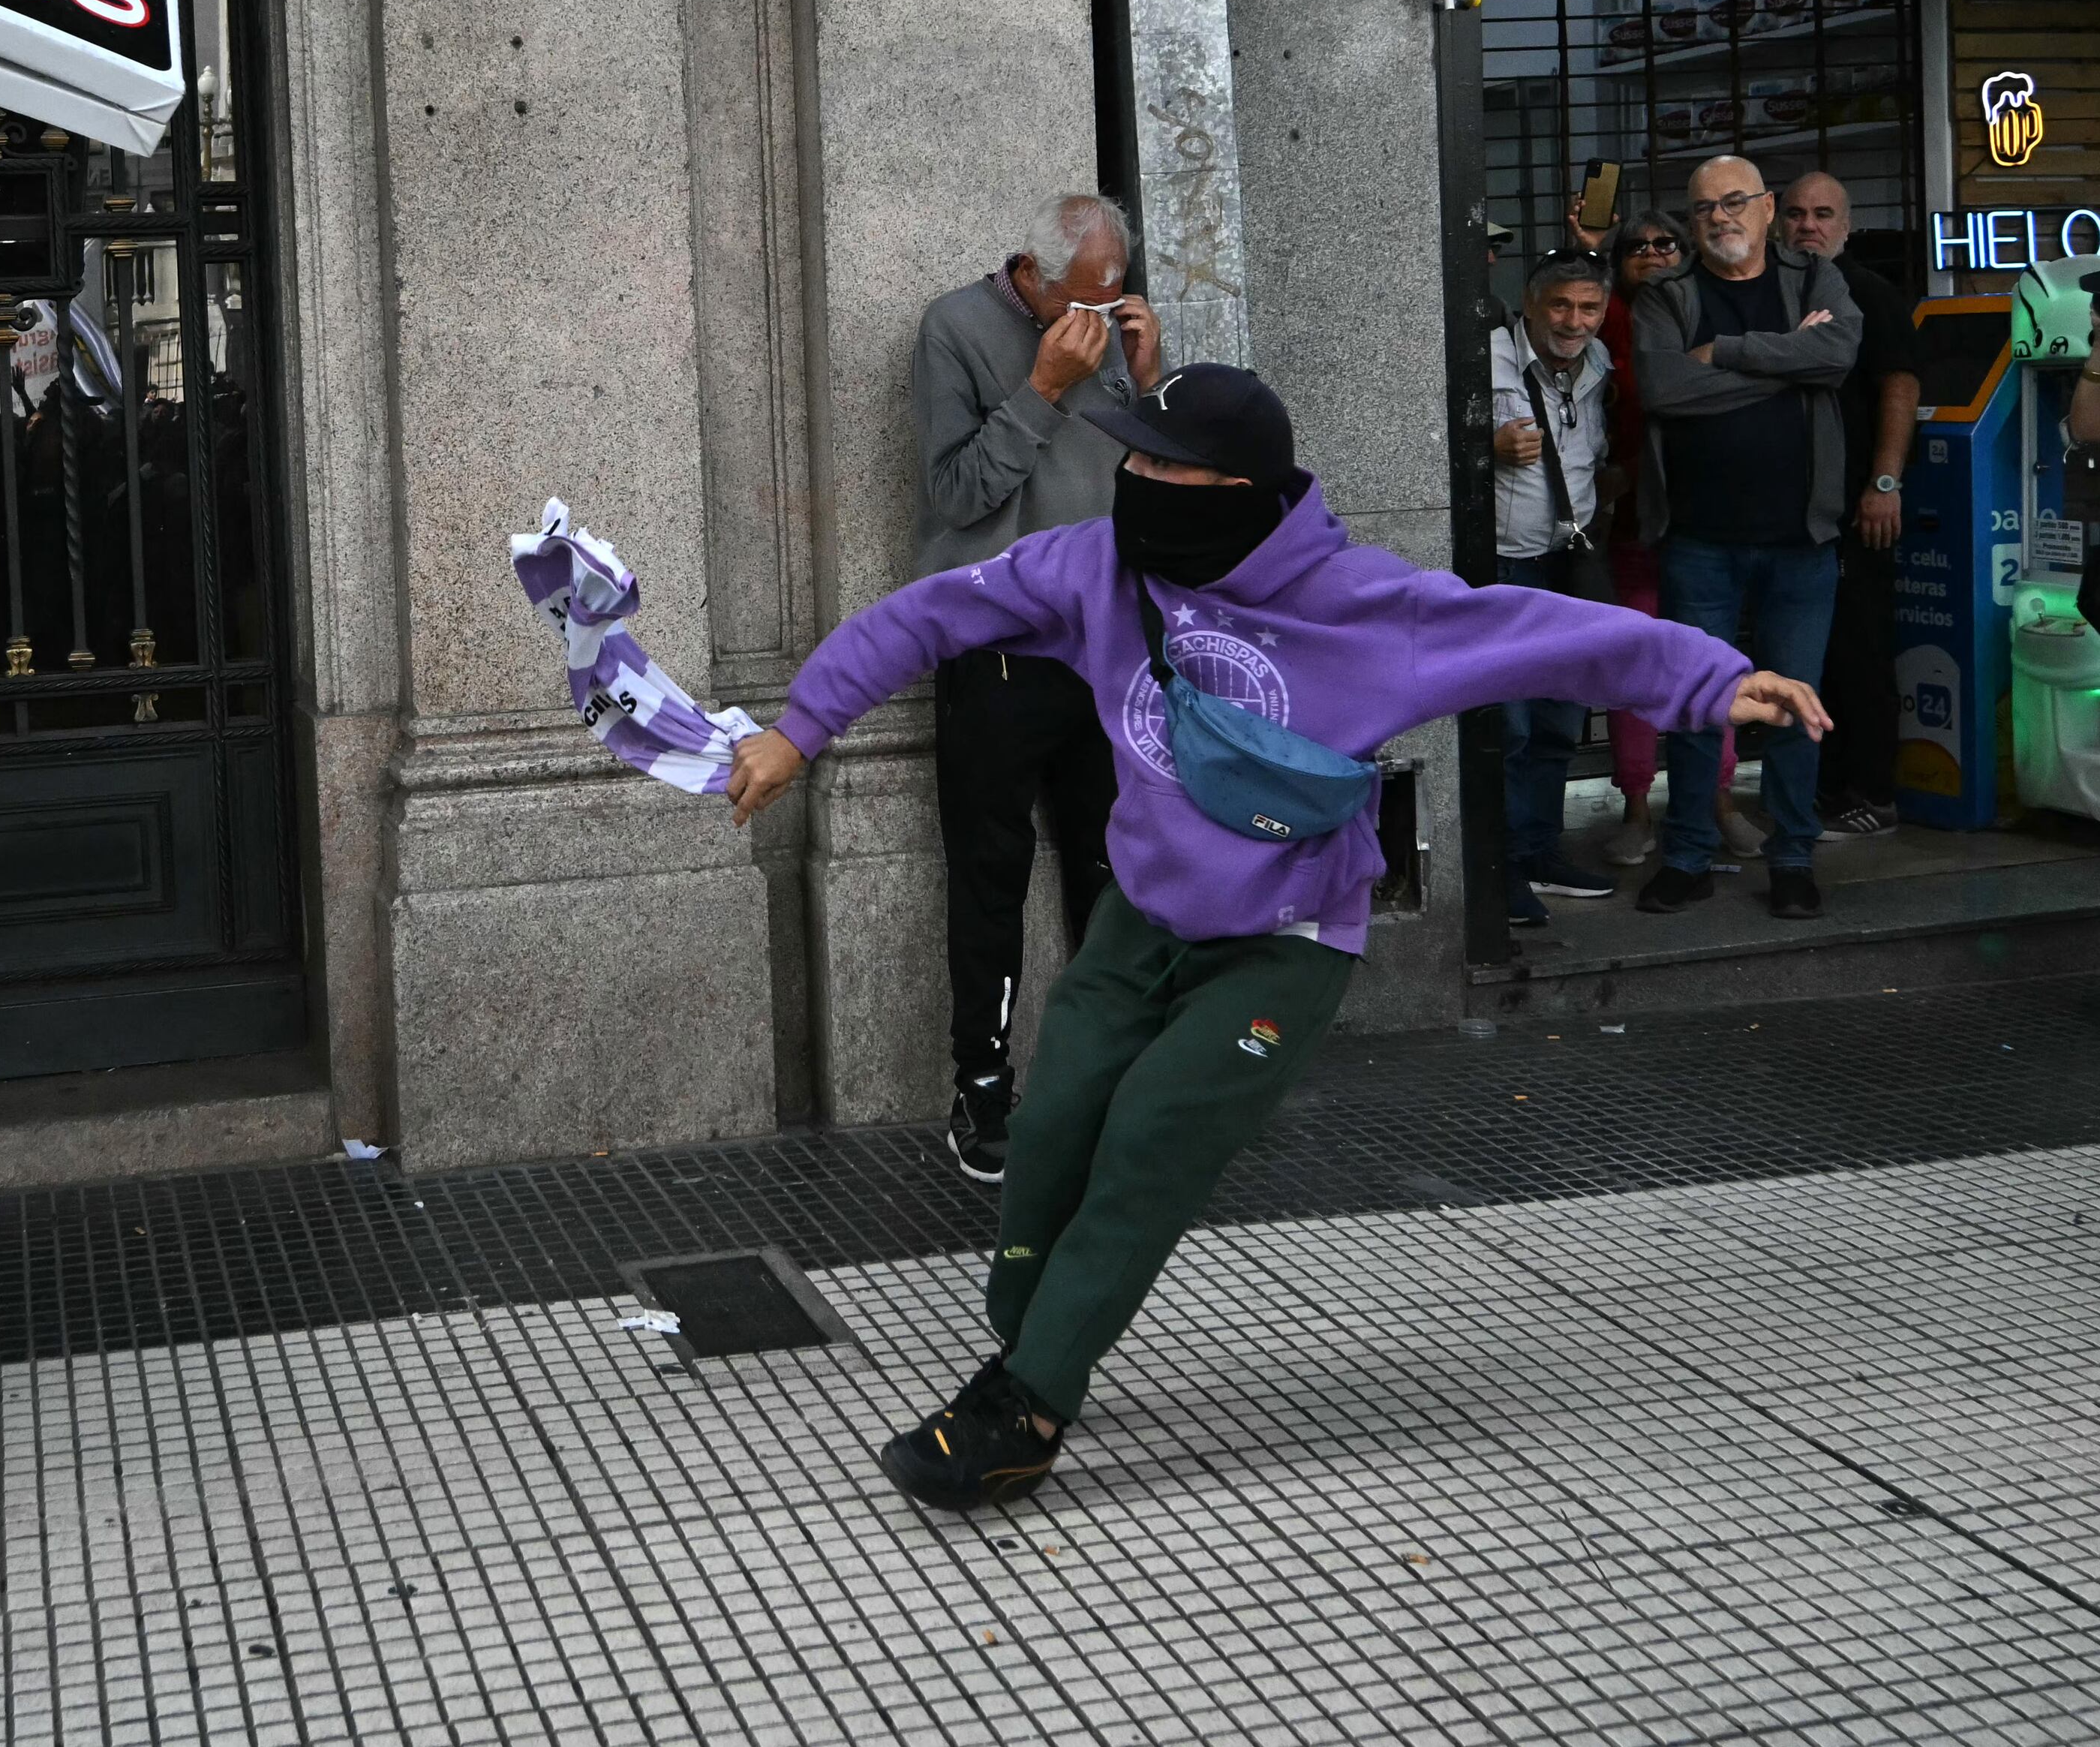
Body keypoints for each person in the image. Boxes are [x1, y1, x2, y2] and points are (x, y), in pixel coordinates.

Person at [721, 363, 1820, 1508]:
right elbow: (927, 612)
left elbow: (1545, 634)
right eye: (1132, 456)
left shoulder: (1365, 605)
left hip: (1285, 938)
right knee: (1049, 1130)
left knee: (1149, 1141)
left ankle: (1026, 1409)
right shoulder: (1096, 565)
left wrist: (1716, 678)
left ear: (1242, 488)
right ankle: (1035, 1335)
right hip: (1139, 917)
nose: (1135, 476)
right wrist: (801, 730)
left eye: (1165, 463)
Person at [907, 194, 1156, 1181]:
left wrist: (1152, 383)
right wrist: (1044, 388)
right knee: (989, 878)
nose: (1094, 318)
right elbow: (957, 493)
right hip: (997, 649)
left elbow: (1161, 479)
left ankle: (1103, 1079)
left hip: (1104, 643)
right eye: (1080, 301)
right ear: (1031, 272)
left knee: (1112, 871)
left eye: (1110, 297)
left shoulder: (1113, 337)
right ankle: (980, 1087)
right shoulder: (955, 329)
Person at [1632, 155, 1861, 918]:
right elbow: (1665, 387)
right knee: (1699, 702)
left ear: (1767, 208)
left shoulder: (1814, 276)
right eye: (1702, 208)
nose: (1719, 218)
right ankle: (1687, 856)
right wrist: (1789, 358)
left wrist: (1726, 351)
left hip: (1801, 540)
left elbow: (1838, 354)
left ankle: (1792, 858)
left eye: (1734, 202)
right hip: (1699, 540)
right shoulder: (1666, 295)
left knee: (1798, 709)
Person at [1777, 173, 1921, 834]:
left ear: (1847, 224)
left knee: (1860, 651)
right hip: (1795, 515)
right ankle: (1826, 790)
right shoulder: (1778, 292)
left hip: (1860, 512)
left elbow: (1900, 386)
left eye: (1823, 213)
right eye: (1796, 213)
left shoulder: (1868, 292)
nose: (1808, 225)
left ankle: (1871, 794)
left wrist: (1884, 483)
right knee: (1818, 658)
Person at [1492, 250, 1618, 923]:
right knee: (1508, 729)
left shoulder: (1599, 365)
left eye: (1589, 307)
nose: (1575, 321)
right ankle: (1499, 869)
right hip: (1502, 571)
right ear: (1532, 305)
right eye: (1561, 305)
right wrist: (1488, 446)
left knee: (1558, 723)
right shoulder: (1486, 360)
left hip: (1566, 568)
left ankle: (1539, 851)